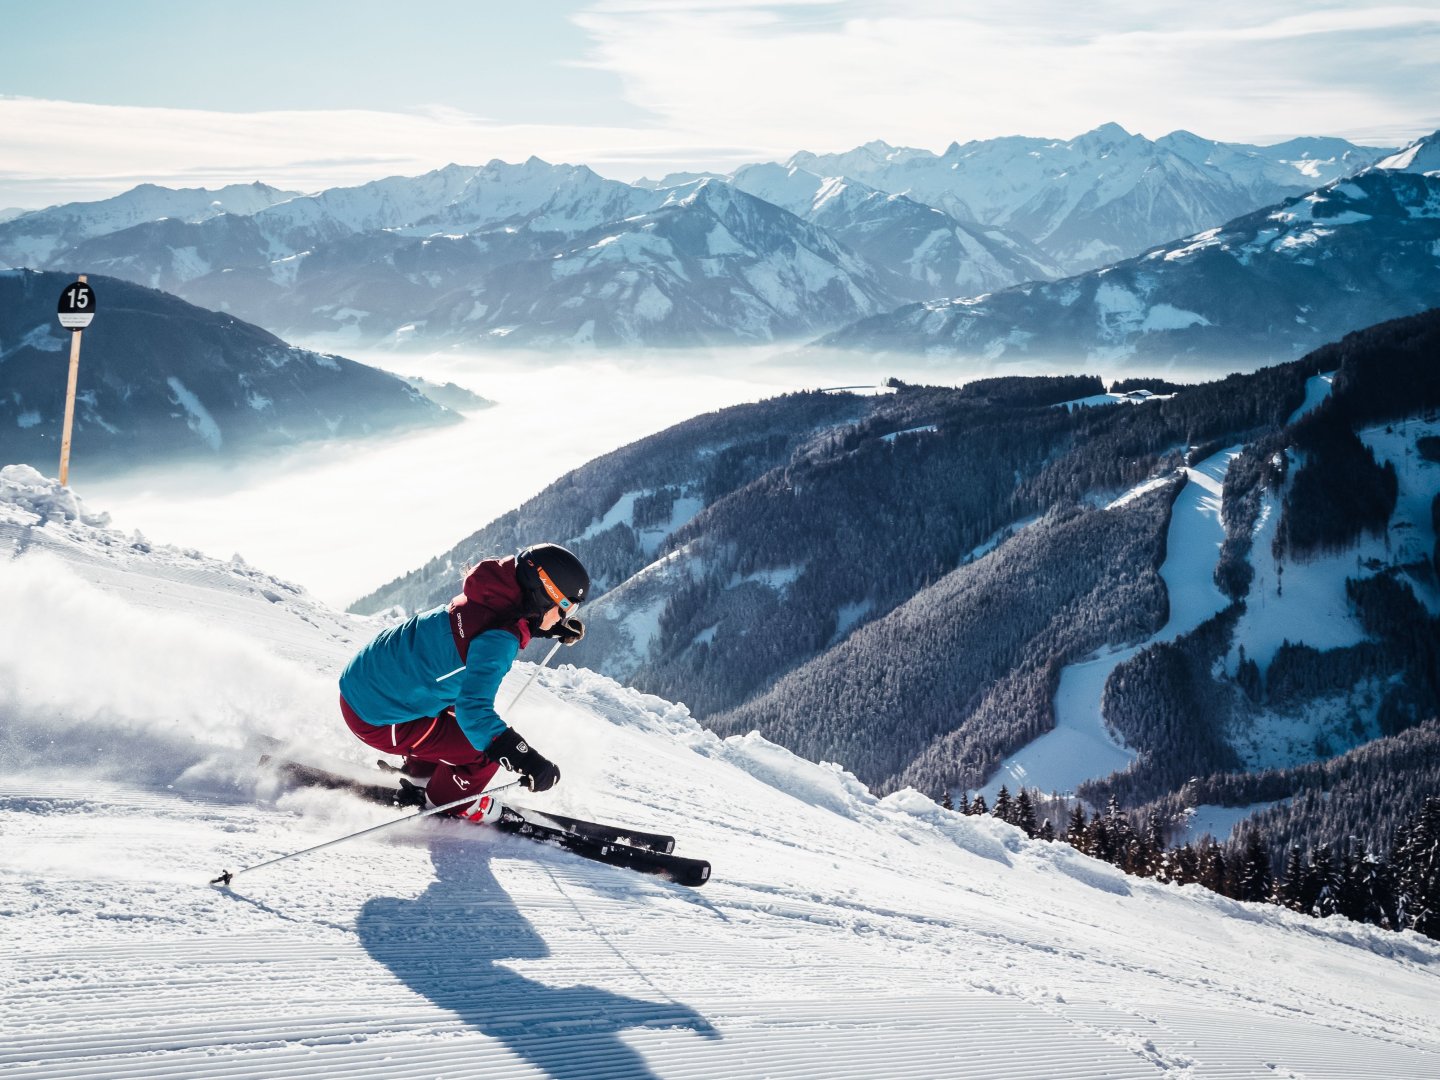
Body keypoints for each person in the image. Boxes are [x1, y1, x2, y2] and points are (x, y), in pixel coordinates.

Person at [337, 543, 589, 821]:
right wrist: (525, 759)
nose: (566, 615)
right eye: (565, 606)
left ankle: (422, 773)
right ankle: (445, 803)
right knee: (481, 752)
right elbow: (475, 711)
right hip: (376, 718)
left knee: (456, 709)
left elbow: (494, 624)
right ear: (544, 594)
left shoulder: (488, 594)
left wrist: (548, 625)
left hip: (363, 684)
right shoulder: (499, 641)